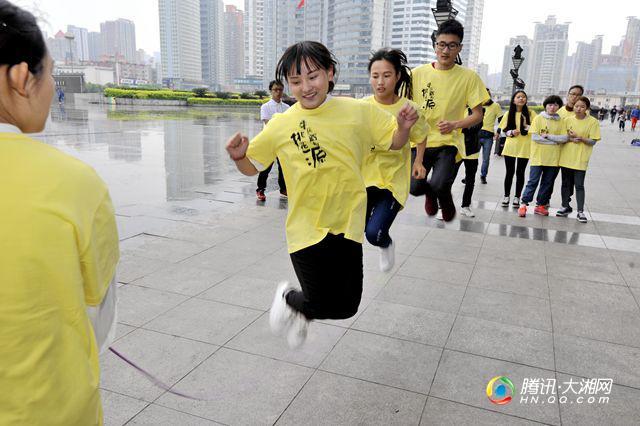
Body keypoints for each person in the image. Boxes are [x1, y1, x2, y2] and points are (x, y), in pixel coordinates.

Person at [225, 41, 417, 349]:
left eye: (312, 77)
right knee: (319, 299)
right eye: (296, 81)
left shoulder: (358, 111)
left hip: (348, 224)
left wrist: (404, 128)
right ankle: (288, 297)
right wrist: (238, 158)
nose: (305, 87)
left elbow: (393, 141)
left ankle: (300, 311)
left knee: (347, 307)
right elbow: (253, 166)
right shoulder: (282, 123)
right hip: (306, 227)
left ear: (330, 73)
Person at [0, 1, 119, 424]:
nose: (52, 87)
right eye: (49, 73)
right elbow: (101, 317)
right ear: (21, 78)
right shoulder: (76, 184)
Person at [411, 19, 489, 221]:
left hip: (448, 141)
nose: (445, 51)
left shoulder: (469, 77)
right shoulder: (416, 74)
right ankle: (431, 193)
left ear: (459, 48)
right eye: (441, 44)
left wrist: (455, 124)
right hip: (419, 142)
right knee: (414, 187)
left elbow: (478, 114)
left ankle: (441, 195)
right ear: (435, 44)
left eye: (452, 46)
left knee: (439, 183)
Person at [364, 48, 429, 271]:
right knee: (354, 229)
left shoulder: (409, 109)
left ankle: (386, 243)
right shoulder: (362, 107)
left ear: (398, 76)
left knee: (374, 233)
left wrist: (418, 161)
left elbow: (421, 136)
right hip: (363, 178)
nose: (380, 82)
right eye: (375, 76)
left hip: (392, 181)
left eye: (386, 75)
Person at [518, 95, 568, 217]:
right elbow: (536, 137)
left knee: (547, 183)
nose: (552, 107)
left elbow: (564, 138)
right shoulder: (538, 118)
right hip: (538, 157)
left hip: (553, 158)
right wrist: (555, 141)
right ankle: (523, 204)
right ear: (545, 106)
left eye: (555, 105)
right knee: (533, 181)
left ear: (559, 107)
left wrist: (548, 137)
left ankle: (540, 205)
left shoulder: (561, 121)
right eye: (550, 104)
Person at [557, 96, 601, 223]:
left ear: (587, 108)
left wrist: (580, 138)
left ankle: (580, 211)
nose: (579, 109)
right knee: (565, 184)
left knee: (579, 185)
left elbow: (593, 141)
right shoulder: (567, 120)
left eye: (582, 106)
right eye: (576, 106)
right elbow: (562, 137)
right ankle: (564, 206)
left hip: (581, 158)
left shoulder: (592, 122)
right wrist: (571, 139)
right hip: (566, 157)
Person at [499, 90, 536, 208]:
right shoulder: (508, 113)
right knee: (509, 172)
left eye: (523, 97)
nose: (521, 99)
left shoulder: (531, 113)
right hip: (510, 146)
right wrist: (511, 132)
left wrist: (526, 126)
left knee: (520, 173)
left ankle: (517, 197)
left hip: (525, 147)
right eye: (518, 97)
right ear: (514, 100)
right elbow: (503, 131)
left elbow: (536, 129)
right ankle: (506, 196)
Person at [255, 80, 289, 201]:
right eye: (275, 90)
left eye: (280, 90)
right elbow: (268, 123)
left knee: (283, 167)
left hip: (282, 142)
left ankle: (283, 189)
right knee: (266, 167)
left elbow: (289, 124)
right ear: (271, 91)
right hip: (269, 141)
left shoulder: (287, 108)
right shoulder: (266, 107)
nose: (278, 92)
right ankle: (260, 189)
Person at [453, 108, 483, 217]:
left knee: (470, 180)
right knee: (449, 177)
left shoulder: (477, 110)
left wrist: (456, 125)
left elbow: (475, 127)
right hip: (455, 148)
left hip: (471, 149)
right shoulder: (455, 107)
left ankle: (465, 206)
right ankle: (443, 206)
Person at [478, 89, 502, 184]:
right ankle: (469, 177)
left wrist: (498, 132)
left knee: (486, 158)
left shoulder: (495, 106)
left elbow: (501, 120)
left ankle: (483, 175)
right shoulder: (476, 105)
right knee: (472, 158)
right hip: (476, 135)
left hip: (488, 136)